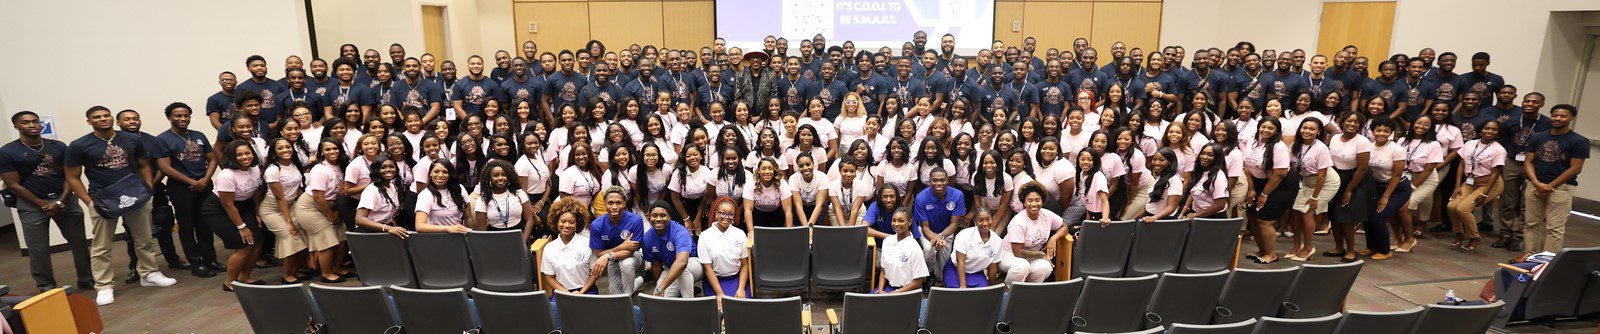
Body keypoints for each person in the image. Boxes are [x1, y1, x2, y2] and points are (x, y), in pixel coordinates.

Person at [65, 106, 177, 306]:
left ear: (112, 118)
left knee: (144, 238)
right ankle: (104, 286)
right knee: (101, 246)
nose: (103, 119)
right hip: (103, 199)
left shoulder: (131, 139)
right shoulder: (80, 145)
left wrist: (148, 188)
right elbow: (72, 177)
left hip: (135, 195)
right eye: (96, 117)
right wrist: (89, 202)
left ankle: (149, 274)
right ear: (89, 121)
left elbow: (144, 164)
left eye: (106, 115)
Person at [1, 111, 92, 292]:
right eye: (26, 122)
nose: (32, 125)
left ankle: (87, 279)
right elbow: (13, 184)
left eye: (35, 121)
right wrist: (43, 204)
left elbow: (71, 175)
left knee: (79, 242)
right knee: (38, 249)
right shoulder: (7, 152)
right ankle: (46, 287)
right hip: (32, 204)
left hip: (64, 198)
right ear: (16, 126)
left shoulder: (58, 146)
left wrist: (61, 201)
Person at [153, 103, 219, 278]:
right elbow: (165, 168)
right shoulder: (162, 139)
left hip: (204, 184)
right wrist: (192, 182)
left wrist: (205, 180)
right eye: (178, 116)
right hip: (181, 188)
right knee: (187, 225)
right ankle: (196, 264)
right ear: (169, 117)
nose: (183, 119)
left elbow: (213, 158)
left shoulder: (198, 135)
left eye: (186, 115)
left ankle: (210, 259)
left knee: (205, 224)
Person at [1521, 104, 1587, 255]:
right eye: (1555, 115)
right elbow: (1528, 161)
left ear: (1571, 118)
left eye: (1563, 116)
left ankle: (1547, 260)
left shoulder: (1578, 141)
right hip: (1535, 186)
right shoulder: (1538, 137)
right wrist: (1536, 183)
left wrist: (1549, 186)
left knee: (1555, 228)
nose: (1558, 119)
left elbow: (1576, 168)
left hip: (1561, 188)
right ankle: (1530, 255)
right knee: (1531, 223)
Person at [203, 140, 267, 291]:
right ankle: (229, 282)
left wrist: (257, 213)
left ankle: (244, 277)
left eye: (247, 153)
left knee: (257, 242)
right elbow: (227, 204)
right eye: (239, 154)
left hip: (243, 206)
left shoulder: (255, 168)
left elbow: (255, 193)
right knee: (243, 245)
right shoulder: (227, 175)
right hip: (218, 210)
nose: (245, 157)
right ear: (232, 157)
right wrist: (242, 227)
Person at [294, 138, 352, 282]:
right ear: (321, 152)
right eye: (327, 149)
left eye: (335, 148)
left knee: (342, 236)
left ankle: (337, 268)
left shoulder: (342, 165)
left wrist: (336, 213)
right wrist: (331, 216)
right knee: (327, 239)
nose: (332, 152)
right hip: (311, 207)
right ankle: (326, 274)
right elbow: (318, 198)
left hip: (331, 206)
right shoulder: (319, 169)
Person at [1243, 118, 1296, 264]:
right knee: (1252, 216)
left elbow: (1279, 173)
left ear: (1276, 131)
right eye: (1263, 127)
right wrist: (1252, 188)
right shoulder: (1252, 142)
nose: (1266, 130)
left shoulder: (1279, 147)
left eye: (1270, 128)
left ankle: (1271, 254)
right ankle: (1262, 250)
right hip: (1258, 182)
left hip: (1280, 185)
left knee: (1264, 221)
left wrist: (1264, 194)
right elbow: (1247, 166)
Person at [1286, 118, 1339, 261]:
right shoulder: (1295, 145)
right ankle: (1297, 246)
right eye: (1304, 128)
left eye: (1311, 129)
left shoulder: (1321, 148)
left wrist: (1315, 198)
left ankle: (1309, 247)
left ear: (1318, 131)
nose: (1307, 131)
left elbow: (1322, 175)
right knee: (1296, 211)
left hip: (1326, 182)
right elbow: (1293, 166)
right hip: (1308, 181)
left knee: (1308, 212)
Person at [1447, 120, 1505, 252]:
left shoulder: (1498, 150)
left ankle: (1474, 238)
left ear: (1498, 133)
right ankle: (1459, 234)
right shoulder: (1469, 144)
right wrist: (1457, 186)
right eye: (1487, 128)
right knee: (1451, 206)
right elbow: (1461, 165)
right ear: (1481, 129)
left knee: (1464, 209)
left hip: (1489, 183)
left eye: (1494, 130)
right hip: (1469, 181)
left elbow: (1496, 173)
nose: (1489, 131)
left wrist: (1485, 194)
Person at [259, 137, 310, 284]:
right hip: (272, 209)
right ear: (274, 152)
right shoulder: (273, 170)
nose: (285, 150)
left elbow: (298, 190)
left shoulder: (295, 165)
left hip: (292, 205)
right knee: (290, 236)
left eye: (287, 147)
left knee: (304, 236)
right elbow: (280, 199)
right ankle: (286, 275)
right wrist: (289, 222)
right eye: (280, 148)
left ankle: (295, 271)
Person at [1327, 112, 1375, 263]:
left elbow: (1362, 169)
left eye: (1356, 122)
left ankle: (1351, 250)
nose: (1352, 124)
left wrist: (1349, 190)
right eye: (1349, 121)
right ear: (1343, 122)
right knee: (1334, 216)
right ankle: (1338, 247)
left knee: (1347, 217)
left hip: (1355, 180)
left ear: (1360, 125)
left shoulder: (1362, 141)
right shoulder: (1334, 137)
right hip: (1336, 178)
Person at [1001, 182, 1067, 284]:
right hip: (1010, 254)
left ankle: (1029, 291)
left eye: (1037, 200)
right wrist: (1041, 254)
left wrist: (1053, 239)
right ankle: (1007, 294)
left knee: (1045, 267)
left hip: (1031, 256)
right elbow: (1017, 252)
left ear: (1042, 202)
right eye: (1030, 200)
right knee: (1022, 267)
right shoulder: (1018, 222)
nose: (1034, 204)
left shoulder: (1047, 215)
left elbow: (1064, 227)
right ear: (1024, 203)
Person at [1396, 117, 1443, 253]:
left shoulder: (1434, 144)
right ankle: (1399, 239)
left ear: (1430, 127)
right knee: (1398, 207)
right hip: (1405, 177)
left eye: (1426, 125)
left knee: (1405, 206)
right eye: (1418, 123)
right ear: (1413, 124)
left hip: (1425, 179)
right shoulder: (1402, 141)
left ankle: (1409, 239)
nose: (1421, 126)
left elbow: (1429, 169)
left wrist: (1413, 186)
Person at [913, 167, 966, 284]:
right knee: (928, 251)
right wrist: (935, 238)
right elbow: (925, 226)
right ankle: (926, 277)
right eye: (935, 180)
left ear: (947, 181)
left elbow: (954, 224)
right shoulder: (921, 197)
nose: (938, 183)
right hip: (927, 231)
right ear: (930, 181)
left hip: (946, 231)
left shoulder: (957, 195)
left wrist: (940, 236)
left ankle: (938, 279)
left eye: (942, 180)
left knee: (944, 262)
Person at [589, 187, 646, 295]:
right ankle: (639, 281)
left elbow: (630, 250)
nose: (614, 207)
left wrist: (608, 255)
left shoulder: (635, 220)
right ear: (605, 204)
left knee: (626, 264)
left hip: (633, 256)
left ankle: (627, 299)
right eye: (610, 203)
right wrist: (620, 247)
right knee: (615, 294)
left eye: (618, 203)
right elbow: (599, 253)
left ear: (624, 203)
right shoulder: (597, 225)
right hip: (613, 260)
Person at [1366, 117, 1408, 261]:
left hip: (1397, 188)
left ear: (1391, 132)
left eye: (1386, 131)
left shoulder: (1397, 149)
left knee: (1379, 217)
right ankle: (1372, 247)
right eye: (1378, 130)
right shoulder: (1369, 146)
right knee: (1367, 216)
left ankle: (1385, 250)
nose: (1382, 134)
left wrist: (1385, 197)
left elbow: (1396, 175)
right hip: (1377, 186)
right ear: (1372, 131)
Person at [640, 201, 700, 297]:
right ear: (649, 217)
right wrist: (659, 287)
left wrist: (662, 287)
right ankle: (678, 290)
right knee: (659, 300)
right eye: (654, 215)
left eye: (663, 215)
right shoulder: (647, 237)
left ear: (669, 217)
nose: (658, 219)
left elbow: (682, 263)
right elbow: (655, 265)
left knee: (682, 271)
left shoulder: (680, 232)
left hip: (693, 264)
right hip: (669, 268)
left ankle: (689, 304)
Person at [541, 198, 599, 295]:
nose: (566, 225)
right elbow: (549, 277)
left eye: (571, 222)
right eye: (563, 221)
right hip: (562, 292)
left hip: (587, 290)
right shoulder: (549, 248)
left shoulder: (587, 243)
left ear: (577, 223)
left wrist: (581, 292)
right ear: (557, 222)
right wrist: (566, 293)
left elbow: (594, 273)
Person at [698, 197, 750, 303]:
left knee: (742, 307)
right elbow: (708, 269)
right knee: (720, 310)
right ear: (716, 214)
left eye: (730, 214)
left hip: (737, 279)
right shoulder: (705, 236)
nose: (726, 217)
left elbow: (745, 265)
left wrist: (741, 289)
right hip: (715, 281)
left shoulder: (740, 234)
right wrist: (720, 294)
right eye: (723, 213)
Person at [474, 161, 539, 241]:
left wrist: (523, 241)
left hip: (519, 236)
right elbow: (482, 231)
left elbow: (529, 220)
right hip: (495, 239)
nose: (500, 178)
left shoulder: (519, 193)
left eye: (504, 175)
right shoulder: (483, 199)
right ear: (489, 177)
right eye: (496, 175)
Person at [947, 207, 1005, 288]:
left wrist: (991, 288)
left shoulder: (997, 240)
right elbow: (960, 261)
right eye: (980, 220)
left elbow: (993, 267)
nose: (985, 223)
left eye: (988, 219)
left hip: (975, 272)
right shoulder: (964, 235)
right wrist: (963, 287)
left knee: (982, 293)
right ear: (975, 222)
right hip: (955, 268)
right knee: (956, 293)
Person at [876, 207, 929, 294]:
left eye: (901, 221)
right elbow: (883, 270)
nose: (896, 224)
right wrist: (881, 290)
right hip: (888, 288)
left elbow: (917, 282)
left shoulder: (915, 248)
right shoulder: (887, 241)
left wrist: (893, 293)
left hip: (907, 292)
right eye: (893, 220)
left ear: (910, 222)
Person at [414, 161, 470, 234]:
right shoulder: (425, 195)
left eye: (445, 172)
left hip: (459, 237)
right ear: (430, 173)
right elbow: (420, 226)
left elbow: (469, 218)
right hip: (436, 239)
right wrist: (447, 229)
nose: (440, 175)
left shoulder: (460, 188)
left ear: (450, 174)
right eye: (436, 172)